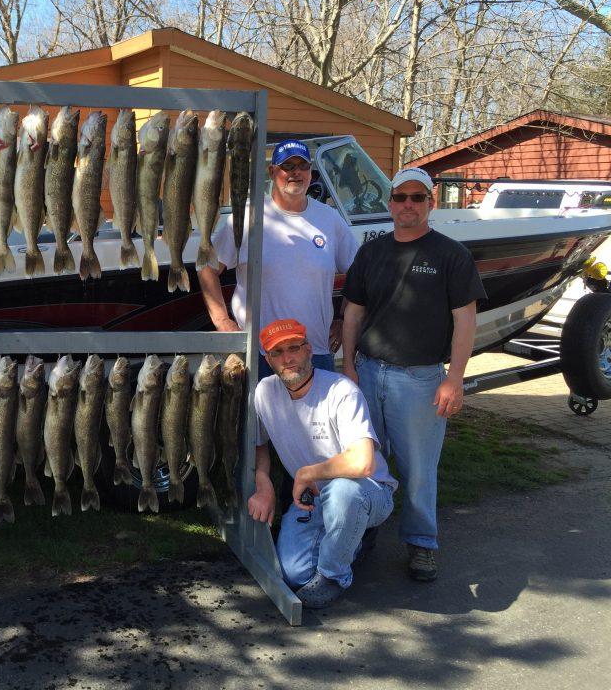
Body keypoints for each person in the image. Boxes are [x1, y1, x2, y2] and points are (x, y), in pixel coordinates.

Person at [341, 166, 486, 583]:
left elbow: (465, 321)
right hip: (368, 372)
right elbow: (353, 311)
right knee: (365, 461)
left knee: (420, 468)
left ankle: (422, 544)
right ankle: (362, 536)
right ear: (389, 204)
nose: (408, 205)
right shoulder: (371, 252)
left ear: (431, 203)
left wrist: (454, 378)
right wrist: (349, 365)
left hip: (421, 379)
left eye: (417, 198)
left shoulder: (451, 255)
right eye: (400, 197)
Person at [247, 318, 396, 609]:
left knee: (343, 492)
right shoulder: (264, 392)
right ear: (268, 359)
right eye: (277, 353)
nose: (287, 358)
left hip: (368, 492)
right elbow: (259, 444)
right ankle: (350, 542)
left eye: (294, 348)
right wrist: (263, 483)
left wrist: (308, 472)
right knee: (294, 574)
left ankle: (335, 574)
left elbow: (364, 462)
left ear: (309, 350)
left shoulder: (341, 390)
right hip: (313, 499)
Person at [199, 139, 358, 377]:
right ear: (272, 172)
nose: (296, 172)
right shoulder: (247, 217)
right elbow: (207, 266)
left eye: (302, 166)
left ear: (310, 173)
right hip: (259, 355)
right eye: (288, 166)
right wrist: (222, 321)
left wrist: (342, 318)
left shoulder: (329, 219)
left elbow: (359, 272)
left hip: (317, 352)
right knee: (257, 415)